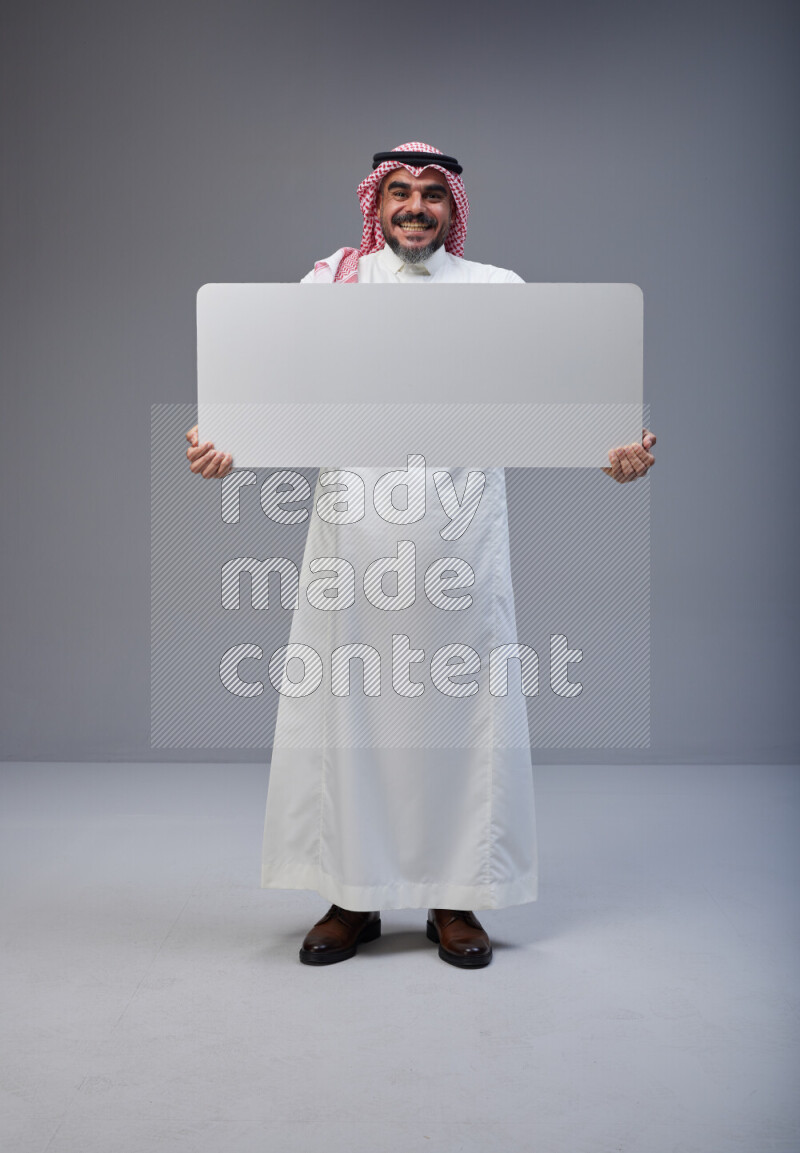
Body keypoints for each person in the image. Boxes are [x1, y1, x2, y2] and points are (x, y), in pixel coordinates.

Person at [186, 141, 656, 969]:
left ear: (453, 208)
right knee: (350, 713)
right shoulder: (330, 283)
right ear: (376, 202)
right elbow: (270, 390)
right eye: (399, 191)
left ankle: (455, 898)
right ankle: (351, 897)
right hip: (352, 536)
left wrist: (609, 449)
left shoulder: (497, 293)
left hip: (461, 539)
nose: (415, 206)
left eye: (432, 194)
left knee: (460, 713)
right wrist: (225, 442)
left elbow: (553, 399)